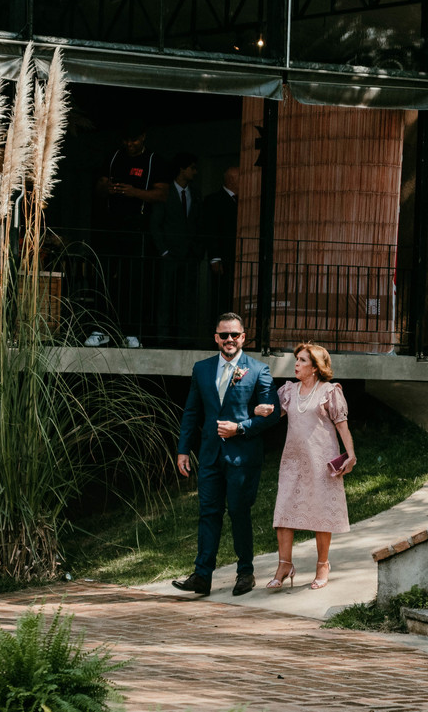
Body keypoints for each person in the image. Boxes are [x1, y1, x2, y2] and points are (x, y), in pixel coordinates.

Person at [172, 312, 280, 597]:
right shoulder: (202, 369)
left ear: (243, 337)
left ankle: (245, 572)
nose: (229, 340)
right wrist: (184, 449)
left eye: (234, 335)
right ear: (216, 338)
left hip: (242, 457)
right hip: (209, 456)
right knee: (208, 513)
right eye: (224, 335)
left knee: (239, 512)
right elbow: (192, 412)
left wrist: (241, 428)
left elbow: (273, 414)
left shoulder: (259, 370)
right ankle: (202, 576)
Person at [254, 343, 355, 591]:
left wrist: (350, 455)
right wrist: (261, 410)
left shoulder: (329, 392)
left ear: (315, 368)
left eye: (301, 361)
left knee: (321, 515)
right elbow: (272, 414)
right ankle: (284, 565)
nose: (296, 364)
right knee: (284, 512)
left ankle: (322, 565)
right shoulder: (289, 391)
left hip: (321, 461)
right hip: (293, 461)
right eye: (296, 360)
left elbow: (342, 425)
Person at [85, 121, 169, 348]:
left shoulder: (153, 160)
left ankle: (131, 332)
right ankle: (100, 329)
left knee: (133, 282)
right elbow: (99, 186)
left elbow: (162, 195)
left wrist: (135, 192)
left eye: (133, 140)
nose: (129, 144)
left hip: (138, 228)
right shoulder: (114, 157)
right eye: (126, 140)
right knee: (104, 278)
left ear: (143, 137)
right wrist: (109, 189)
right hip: (112, 226)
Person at [150, 152, 203, 346]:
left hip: (188, 254)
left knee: (186, 297)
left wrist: (196, 250)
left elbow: (198, 223)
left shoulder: (195, 193)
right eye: (192, 168)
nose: (195, 172)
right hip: (170, 253)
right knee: (165, 296)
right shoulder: (166, 191)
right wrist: (163, 250)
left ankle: (184, 337)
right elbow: (155, 223)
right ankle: (162, 336)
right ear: (182, 169)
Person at [201, 165, 239, 321]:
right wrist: (215, 257)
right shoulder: (213, 200)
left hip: (238, 256)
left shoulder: (244, 201)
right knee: (221, 297)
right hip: (223, 256)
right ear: (231, 180)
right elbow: (210, 229)